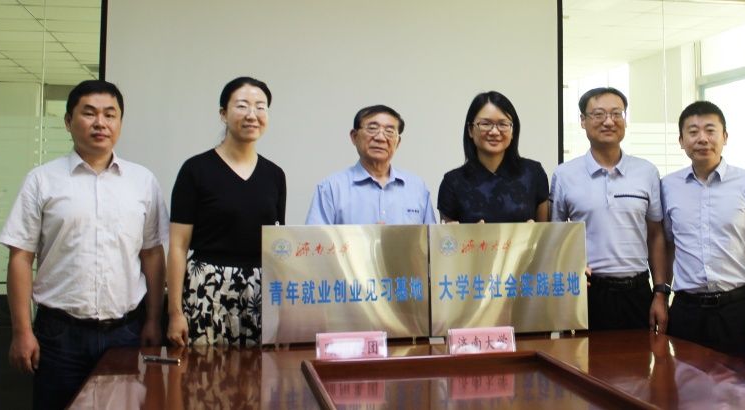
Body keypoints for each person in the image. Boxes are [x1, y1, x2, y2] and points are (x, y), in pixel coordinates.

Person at [0, 79, 168, 409]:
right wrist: (22, 331)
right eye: (89, 113)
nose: (100, 123)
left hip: (125, 333)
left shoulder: (142, 181)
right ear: (68, 121)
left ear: (120, 122)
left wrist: (152, 319)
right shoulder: (42, 180)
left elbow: (151, 254)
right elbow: (20, 257)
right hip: (59, 336)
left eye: (110, 114)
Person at [166, 77, 286, 346]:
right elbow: (177, 246)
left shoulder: (275, 175)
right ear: (223, 114)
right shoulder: (195, 170)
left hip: (259, 292)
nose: (252, 115)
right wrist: (174, 312)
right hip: (205, 288)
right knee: (204, 369)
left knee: (258, 370)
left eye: (260, 107)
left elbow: (278, 245)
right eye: (242, 106)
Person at [657, 101, 745, 358]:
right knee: (684, 380)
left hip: (736, 308)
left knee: (740, 382)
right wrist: (661, 295)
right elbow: (667, 245)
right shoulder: (667, 186)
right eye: (693, 132)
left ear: (725, 137)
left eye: (710, 130)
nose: (702, 138)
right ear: (681, 141)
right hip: (686, 310)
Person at [550, 87, 667, 330]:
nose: (609, 121)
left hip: (637, 291)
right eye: (598, 114)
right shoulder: (564, 175)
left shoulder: (646, 172)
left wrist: (660, 292)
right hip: (586, 291)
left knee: (641, 355)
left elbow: (656, 234)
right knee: (583, 355)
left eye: (616, 113)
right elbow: (555, 236)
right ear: (582, 121)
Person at [306, 105, 436, 225]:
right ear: (354, 136)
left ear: (398, 142)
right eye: (372, 129)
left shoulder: (417, 188)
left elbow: (431, 240)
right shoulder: (331, 188)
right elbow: (316, 240)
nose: (380, 138)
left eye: (389, 131)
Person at [438, 91, 549, 223]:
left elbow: (545, 232)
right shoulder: (452, 182)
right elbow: (447, 235)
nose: (495, 132)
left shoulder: (533, 173)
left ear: (513, 131)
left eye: (503, 124)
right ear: (470, 130)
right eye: (485, 124)